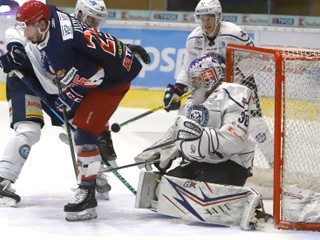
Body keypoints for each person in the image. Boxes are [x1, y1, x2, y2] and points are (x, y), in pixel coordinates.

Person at [14, 0, 148, 221]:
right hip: (111, 66)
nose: (25, 32)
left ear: (41, 23)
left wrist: (70, 98)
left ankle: (87, 193)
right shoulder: (52, 14)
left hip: (113, 80)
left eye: (26, 26)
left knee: (84, 132)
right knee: (79, 119)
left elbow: (96, 76)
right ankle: (97, 152)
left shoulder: (60, 50)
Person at [0, 0, 117, 206]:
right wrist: (16, 48)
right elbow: (18, 29)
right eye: (91, 19)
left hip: (56, 89)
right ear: (79, 14)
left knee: (81, 129)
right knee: (29, 130)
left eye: (98, 21)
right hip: (25, 81)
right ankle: (2, 180)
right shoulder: (58, 24)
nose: (94, 25)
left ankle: (91, 173)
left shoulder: (89, 40)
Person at [135, 55, 271, 230]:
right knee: (166, 186)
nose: (193, 83)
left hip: (230, 163)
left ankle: (249, 205)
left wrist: (201, 136)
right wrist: (161, 151)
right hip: (197, 162)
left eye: (198, 78)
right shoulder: (194, 100)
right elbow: (179, 130)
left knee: (203, 192)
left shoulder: (235, 93)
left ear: (211, 75)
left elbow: (234, 139)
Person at [162, 0, 274, 167]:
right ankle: (189, 156)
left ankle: (275, 163)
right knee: (190, 114)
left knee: (255, 124)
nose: (205, 23)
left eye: (209, 18)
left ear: (218, 17)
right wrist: (177, 89)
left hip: (240, 84)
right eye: (201, 18)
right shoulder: (194, 38)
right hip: (208, 86)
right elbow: (187, 68)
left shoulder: (234, 34)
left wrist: (238, 71)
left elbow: (257, 57)